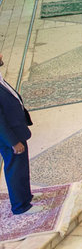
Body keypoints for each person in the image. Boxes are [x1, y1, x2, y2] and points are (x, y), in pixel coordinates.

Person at [0, 52, 35, 215]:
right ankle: (21, 206)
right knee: (15, 168)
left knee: (21, 167)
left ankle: (25, 197)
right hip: (10, 138)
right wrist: (13, 142)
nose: (1, 55)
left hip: (16, 131)